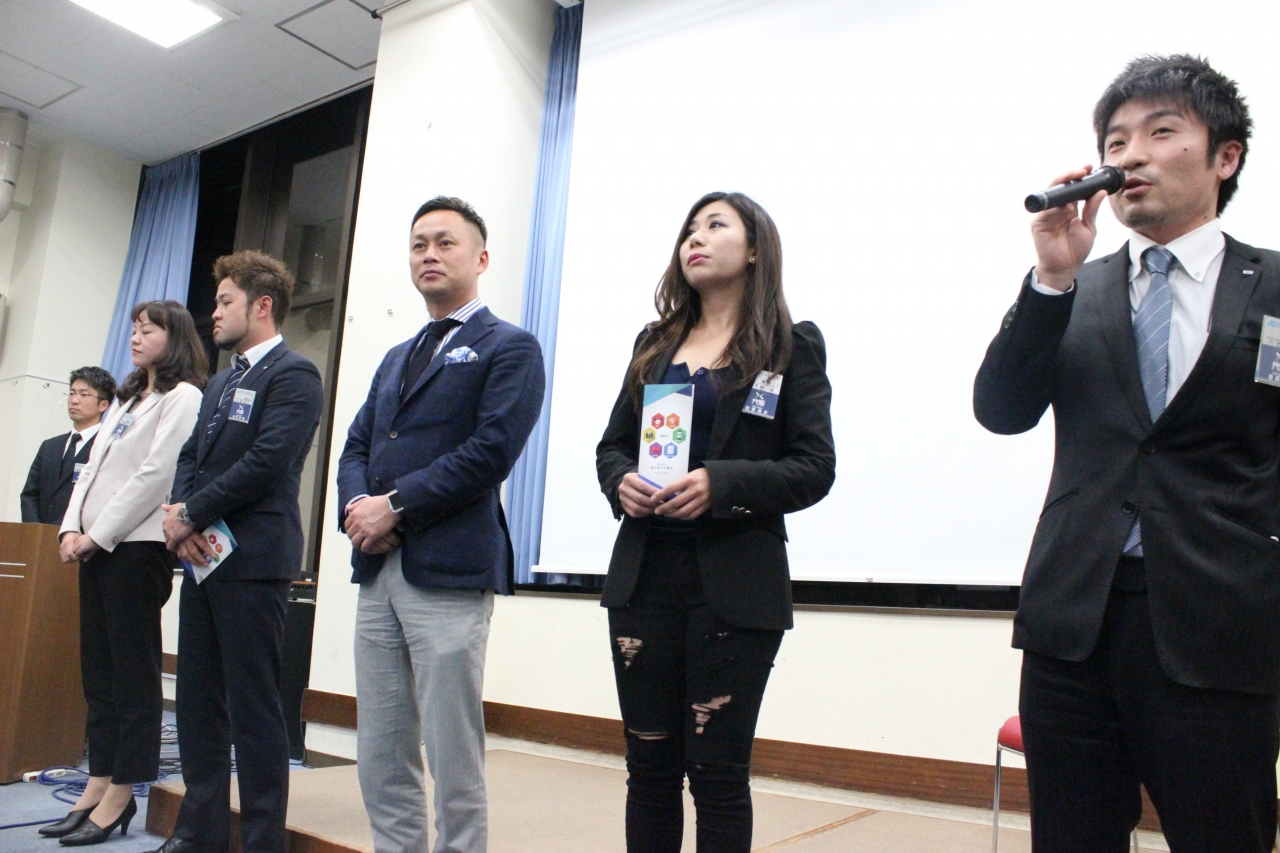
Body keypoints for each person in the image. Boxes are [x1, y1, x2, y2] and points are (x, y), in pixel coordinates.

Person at [974, 55, 1278, 852]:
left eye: (1160, 131)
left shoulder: (1274, 287)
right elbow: (1001, 411)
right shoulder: (1073, 287)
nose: (1131, 154)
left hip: (1220, 626)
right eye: (1115, 141)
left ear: (1225, 156)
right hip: (1073, 621)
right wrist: (1050, 277)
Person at [596, 191, 835, 852]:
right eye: (689, 230)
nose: (695, 239)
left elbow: (815, 467)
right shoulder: (655, 344)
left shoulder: (790, 347)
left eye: (715, 225)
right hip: (644, 579)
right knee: (648, 771)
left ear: (755, 248)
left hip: (734, 587)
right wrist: (621, 481)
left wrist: (720, 484)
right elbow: (611, 447)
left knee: (718, 777)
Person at [336, 196, 544, 853]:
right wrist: (357, 508)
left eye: (445, 242)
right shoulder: (397, 355)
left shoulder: (509, 346)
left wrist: (394, 505)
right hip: (379, 569)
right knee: (381, 746)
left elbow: (490, 452)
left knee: (451, 749)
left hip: (450, 570)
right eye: (419, 243)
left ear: (480, 259)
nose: (429, 253)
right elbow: (357, 446)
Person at [152, 252, 324, 853]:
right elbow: (190, 457)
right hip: (202, 562)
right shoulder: (220, 383)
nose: (215, 313)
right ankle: (197, 833)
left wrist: (192, 514)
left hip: (253, 563)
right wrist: (180, 519)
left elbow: (268, 462)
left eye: (226, 301)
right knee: (198, 703)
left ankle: (261, 840)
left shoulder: (294, 375)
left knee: (254, 710)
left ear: (262, 306)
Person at [45, 303, 205, 845]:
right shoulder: (130, 398)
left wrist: (98, 534)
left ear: (174, 337)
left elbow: (155, 475)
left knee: (133, 675)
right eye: (133, 329)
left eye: (147, 329)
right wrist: (70, 528)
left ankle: (123, 791)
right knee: (100, 673)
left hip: (135, 549)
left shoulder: (183, 397)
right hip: (96, 546)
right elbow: (90, 468)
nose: (135, 337)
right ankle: (98, 780)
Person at [21, 366, 116, 525]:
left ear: (103, 405)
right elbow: (29, 494)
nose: (74, 400)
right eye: (72, 393)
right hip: (38, 534)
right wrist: (35, 530)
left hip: (77, 535)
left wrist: (64, 531)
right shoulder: (49, 446)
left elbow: (100, 499)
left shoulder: (107, 447)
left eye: (83, 394)